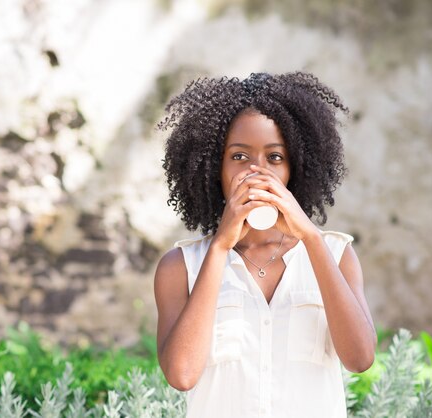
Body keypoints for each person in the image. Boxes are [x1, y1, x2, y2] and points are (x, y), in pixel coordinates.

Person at [153, 72, 376, 418]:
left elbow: (360, 359)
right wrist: (220, 248)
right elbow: (182, 375)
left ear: (295, 168)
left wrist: (310, 238)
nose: (257, 172)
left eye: (274, 157)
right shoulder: (181, 266)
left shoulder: (336, 255)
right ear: (215, 166)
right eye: (239, 157)